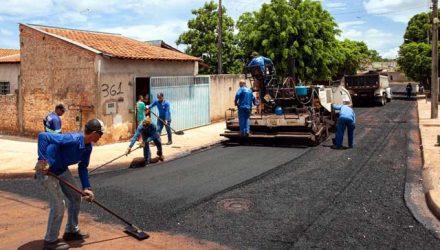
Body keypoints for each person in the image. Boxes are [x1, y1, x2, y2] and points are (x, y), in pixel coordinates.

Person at [34, 119, 105, 250]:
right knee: (59, 205)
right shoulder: (72, 139)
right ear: (94, 133)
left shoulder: (87, 147)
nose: (101, 136)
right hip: (47, 171)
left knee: (76, 197)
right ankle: (50, 241)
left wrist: (86, 188)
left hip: (61, 170)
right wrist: (42, 160)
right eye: (101, 134)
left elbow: (83, 167)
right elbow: (43, 136)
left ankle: (71, 231)